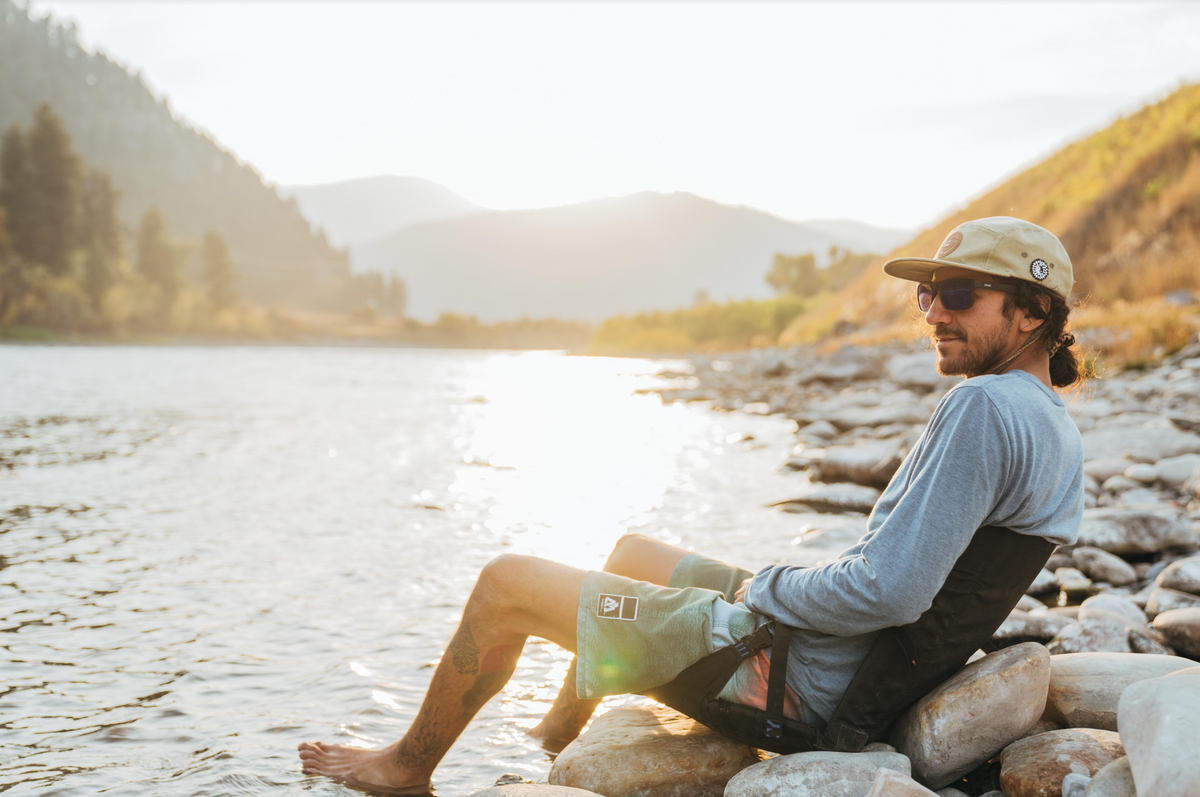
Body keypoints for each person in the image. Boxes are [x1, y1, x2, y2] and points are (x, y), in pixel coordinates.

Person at [298, 216, 1085, 793]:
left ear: (1033, 310)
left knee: (507, 582)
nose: (933, 313)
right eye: (925, 297)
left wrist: (763, 589)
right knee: (634, 552)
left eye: (955, 294)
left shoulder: (985, 409)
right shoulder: (1052, 426)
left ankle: (408, 765)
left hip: (796, 680)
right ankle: (555, 743)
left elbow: (893, 588)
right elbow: (910, 589)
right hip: (844, 660)